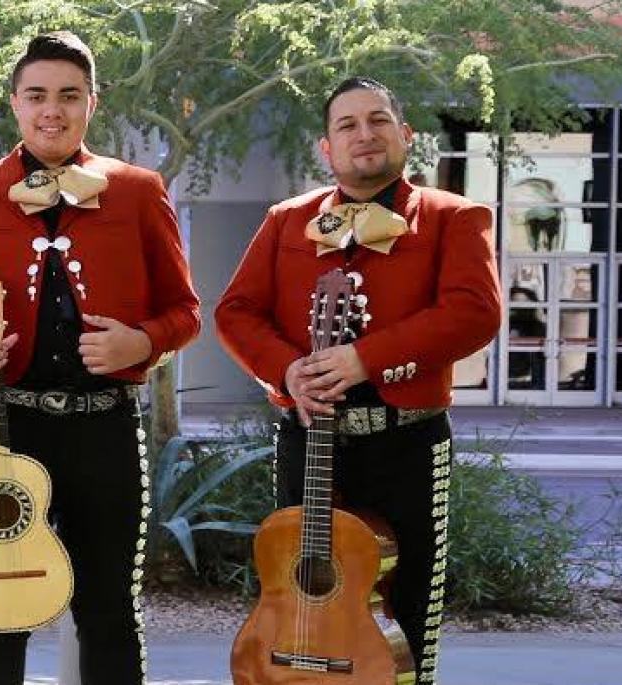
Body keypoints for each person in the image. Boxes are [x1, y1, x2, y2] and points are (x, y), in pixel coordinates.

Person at [0, 31, 203, 685]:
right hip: (4, 425)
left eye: (69, 96)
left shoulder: (136, 190)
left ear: (91, 103)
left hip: (104, 425)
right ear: (15, 104)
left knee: (108, 611)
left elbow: (185, 311)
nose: (53, 110)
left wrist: (142, 343)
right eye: (38, 95)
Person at [214, 76, 502, 685]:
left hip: (407, 445)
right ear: (327, 148)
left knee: (408, 609)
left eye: (377, 120)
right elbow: (236, 312)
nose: (363, 135)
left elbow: (475, 311)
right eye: (347, 125)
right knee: (304, 598)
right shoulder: (286, 221)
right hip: (308, 438)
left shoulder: (454, 217)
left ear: (406, 135)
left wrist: (367, 359)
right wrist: (287, 371)